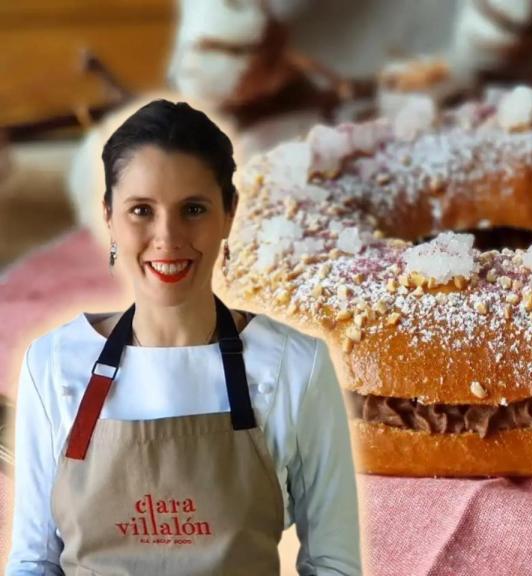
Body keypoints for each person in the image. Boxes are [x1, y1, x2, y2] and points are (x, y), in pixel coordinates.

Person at [6, 100, 361, 575]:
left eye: (193, 209)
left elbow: (334, 565)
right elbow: (33, 562)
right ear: (109, 215)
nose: (168, 237)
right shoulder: (53, 363)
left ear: (229, 213)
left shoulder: (296, 366)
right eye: (141, 210)